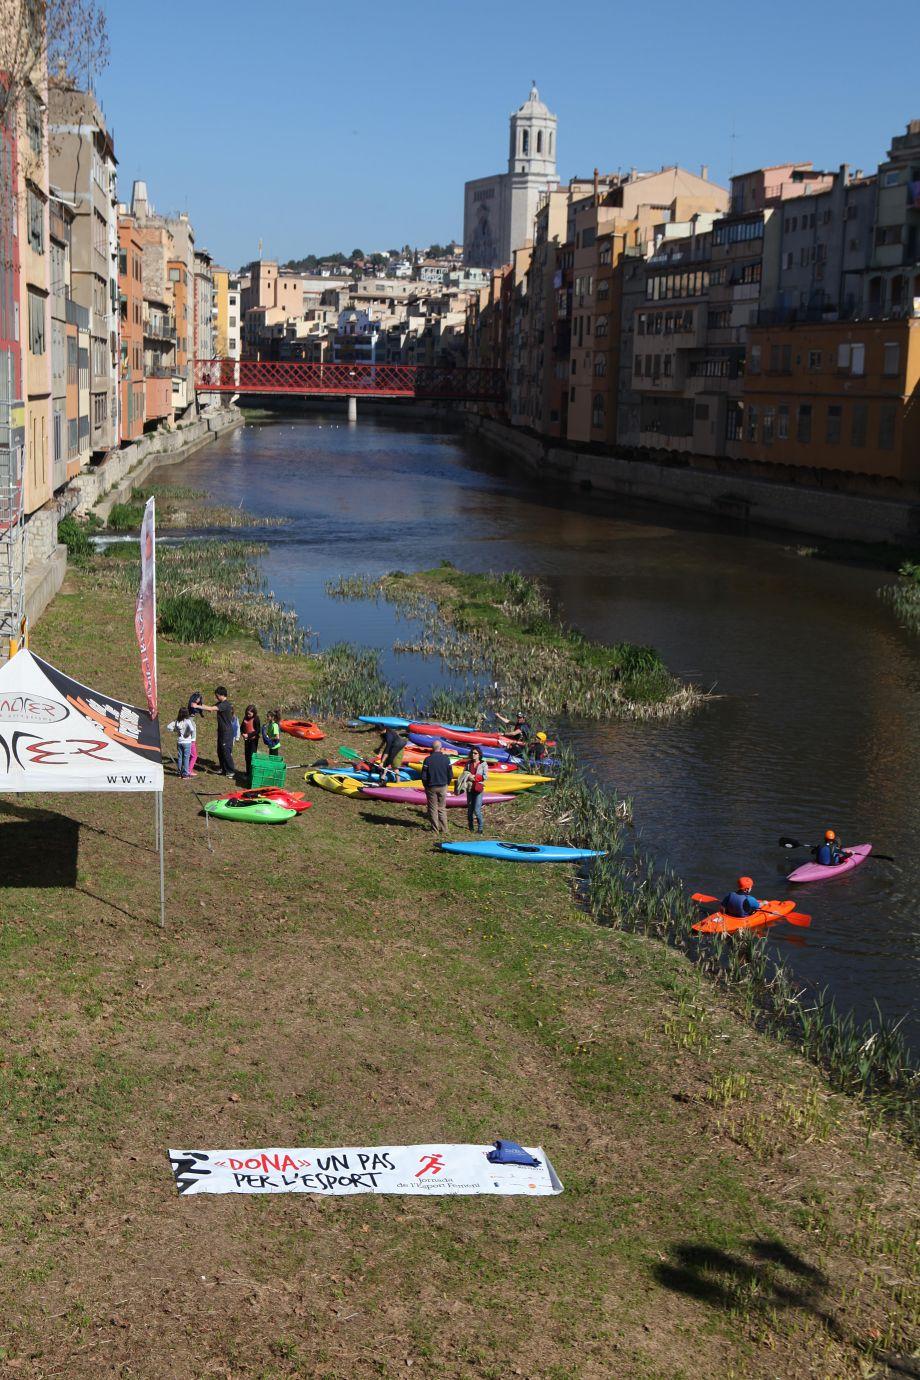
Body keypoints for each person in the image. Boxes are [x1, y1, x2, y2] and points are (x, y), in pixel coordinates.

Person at [421, 738, 453, 834]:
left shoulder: (427, 760)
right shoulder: (446, 759)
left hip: (431, 786)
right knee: (442, 808)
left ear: (432, 748)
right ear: (441, 748)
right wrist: (447, 783)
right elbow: (450, 774)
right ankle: (445, 829)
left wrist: (425, 786)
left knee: (433, 808)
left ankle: (435, 829)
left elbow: (424, 776)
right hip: (443, 786)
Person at [202, 686, 236, 777]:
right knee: (220, 750)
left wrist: (197, 705)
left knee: (226, 751)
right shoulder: (220, 703)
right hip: (221, 731)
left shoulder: (225, 704)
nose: (216, 697)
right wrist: (199, 705)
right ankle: (223, 768)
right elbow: (211, 708)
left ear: (222, 695)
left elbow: (211, 709)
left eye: (217, 696)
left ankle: (230, 771)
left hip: (227, 732)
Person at [461, 745, 489, 834]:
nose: (473, 755)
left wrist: (475, 778)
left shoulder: (483, 764)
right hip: (470, 788)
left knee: (477, 810)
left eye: (475, 753)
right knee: (470, 810)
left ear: (479, 754)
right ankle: (471, 827)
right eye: (472, 753)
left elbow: (485, 776)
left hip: (478, 789)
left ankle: (480, 828)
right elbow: (464, 774)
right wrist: (468, 776)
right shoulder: (468, 763)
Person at [166, 706, 196, 779]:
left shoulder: (177, 721)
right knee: (186, 758)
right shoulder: (188, 721)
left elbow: (168, 727)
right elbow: (192, 729)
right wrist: (187, 734)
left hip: (179, 741)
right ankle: (185, 774)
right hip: (187, 742)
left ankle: (179, 773)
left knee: (180, 758)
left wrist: (176, 730)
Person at [240, 703, 261, 780]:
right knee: (247, 757)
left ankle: (251, 774)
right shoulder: (245, 718)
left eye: (249, 714)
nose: (248, 715)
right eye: (247, 714)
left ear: (254, 713)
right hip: (246, 740)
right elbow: (241, 727)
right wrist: (242, 733)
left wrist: (248, 735)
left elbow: (258, 730)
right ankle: (247, 772)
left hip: (253, 741)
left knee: (252, 757)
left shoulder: (256, 719)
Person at [187, 692, 204, 775]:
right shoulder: (192, 705)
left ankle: (187, 770)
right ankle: (189, 770)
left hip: (190, 738)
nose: (199, 700)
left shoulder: (193, 705)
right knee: (194, 756)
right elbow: (195, 708)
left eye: (200, 698)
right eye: (198, 698)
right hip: (191, 740)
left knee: (189, 755)